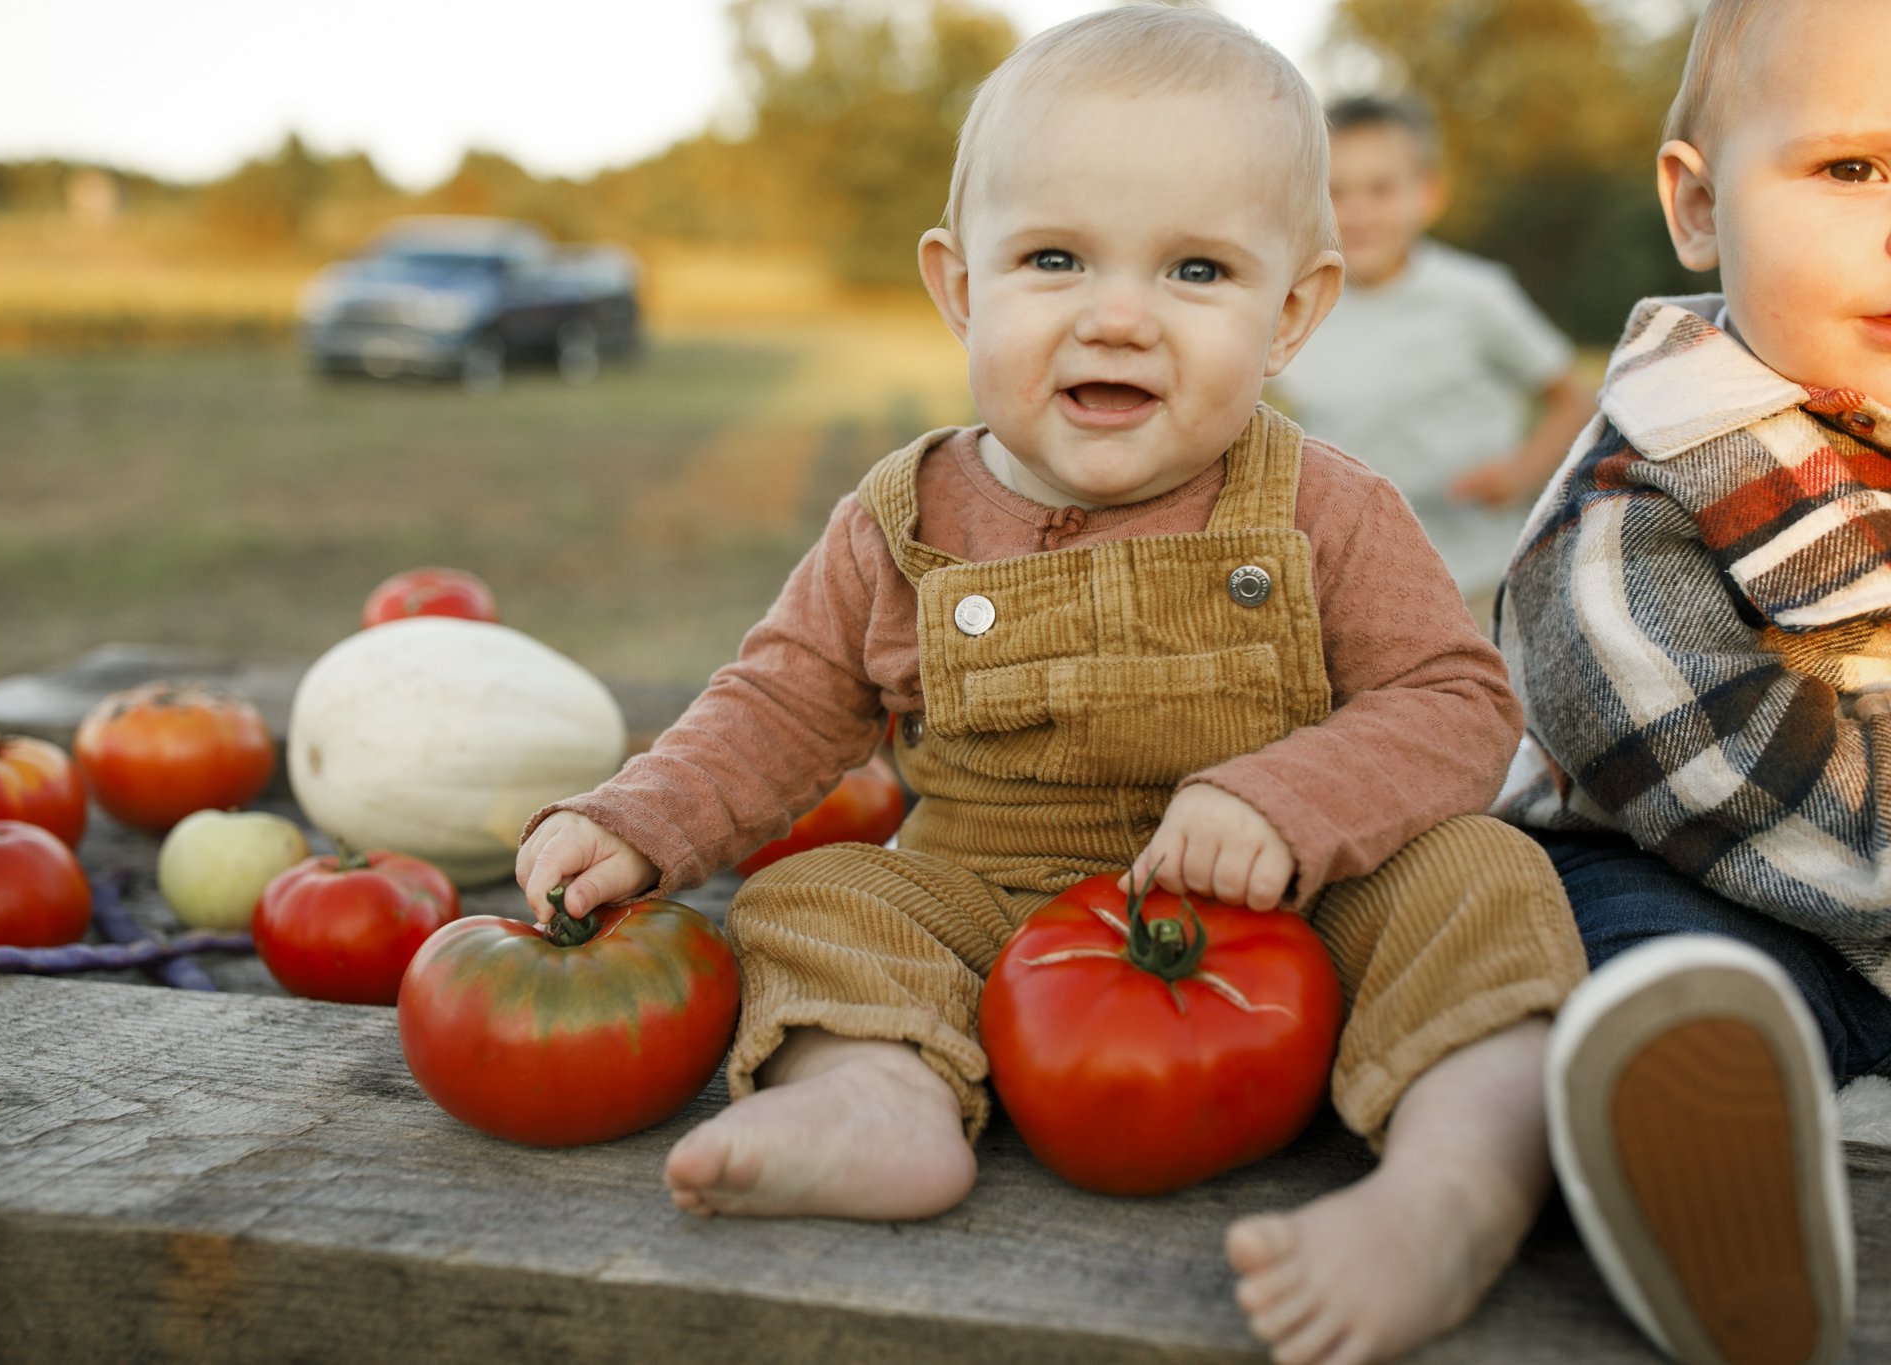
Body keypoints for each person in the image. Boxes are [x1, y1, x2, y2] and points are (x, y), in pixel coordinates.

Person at [519, 8, 1585, 1363]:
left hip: (1295, 905)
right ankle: (881, 1096)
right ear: (960, 285)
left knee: (1483, 881)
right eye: (1055, 258)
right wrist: (639, 818)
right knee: (815, 896)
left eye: (1197, 268)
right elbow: (780, 700)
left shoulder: (1325, 505)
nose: (1119, 315)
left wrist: (1289, 800)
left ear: (1293, 312)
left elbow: (1458, 702)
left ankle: (1455, 1184)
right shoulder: (901, 517)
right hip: (988, 903)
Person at [1496, 0, 1889, 1360]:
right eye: (1855, 169)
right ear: (1702, 204)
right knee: (1652, 975)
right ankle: (1715, 1176)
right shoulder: (1653, 479)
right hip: (1690, 862)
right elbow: (1704, 756)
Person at [1270, 94, 1595, 629]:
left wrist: (1518, 474)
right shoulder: (1297, 303)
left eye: (1380, 189)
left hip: (1476, 579)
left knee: (1475, 710)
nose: (1357, 212)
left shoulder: (1475, 295)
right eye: (1336, 193)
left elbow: (1571, 399)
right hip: (1346, 584)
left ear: (1428, 194)